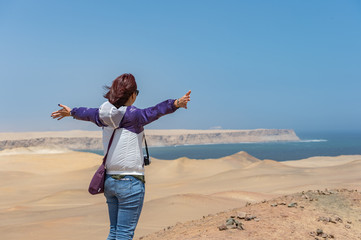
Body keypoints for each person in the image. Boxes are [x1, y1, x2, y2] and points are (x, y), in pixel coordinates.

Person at [51, 73, 191, 240]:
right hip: (130, 182)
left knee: (114, 231)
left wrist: (71, 112)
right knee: (124, 234)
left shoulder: (102, 115)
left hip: (110, 181)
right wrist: (175, 103)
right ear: (131, 95)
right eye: (136, 93)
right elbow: (155, 111)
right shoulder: (134, 115)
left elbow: (86, 113)